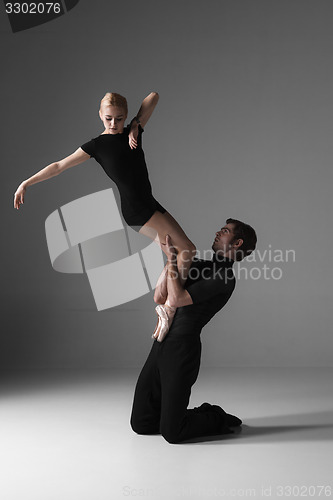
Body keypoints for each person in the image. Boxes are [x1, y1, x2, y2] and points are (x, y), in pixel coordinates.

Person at [13, 92, 196, 339]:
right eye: (108, 118)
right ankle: (169, 308)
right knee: (186, 250)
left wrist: (136, 124)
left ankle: (161, 299)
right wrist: (27, 182)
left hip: (151, 204)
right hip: (138, 210)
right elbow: (58, 166)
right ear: (100, 115)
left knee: (175, 256)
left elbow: (153, 97)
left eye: (119, 119)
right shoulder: (96, 146)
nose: (113, 124)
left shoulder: (133, 133)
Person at [130, 218, 257, 444]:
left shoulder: (225, 277)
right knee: (141, 424)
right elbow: (160, 297)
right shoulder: (196, 263)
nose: (218, 232)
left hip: (182, 350)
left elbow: (177, 299)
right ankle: (176, 414)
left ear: (237, 243)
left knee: (173, 433)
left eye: (225, 231)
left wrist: (172, 260)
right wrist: (172, 259)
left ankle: (215, 416)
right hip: (161, 343)